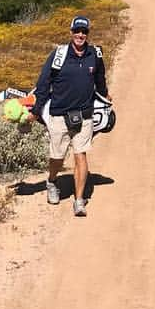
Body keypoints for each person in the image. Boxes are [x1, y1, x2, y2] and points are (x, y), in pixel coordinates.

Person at [30, 14, 110, 216]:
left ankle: (79, 200)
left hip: (84, 115)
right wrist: (36, 109)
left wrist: (104, 94)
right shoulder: (58, 55)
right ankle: (52, 180)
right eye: (77, 31)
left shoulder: (95, 54)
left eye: (84, 31)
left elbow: (100, 77)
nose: (80, 35)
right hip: (59, 114)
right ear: (71, 32)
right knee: (57, 157)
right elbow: (43, 84)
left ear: (88, 34)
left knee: (80, 155)